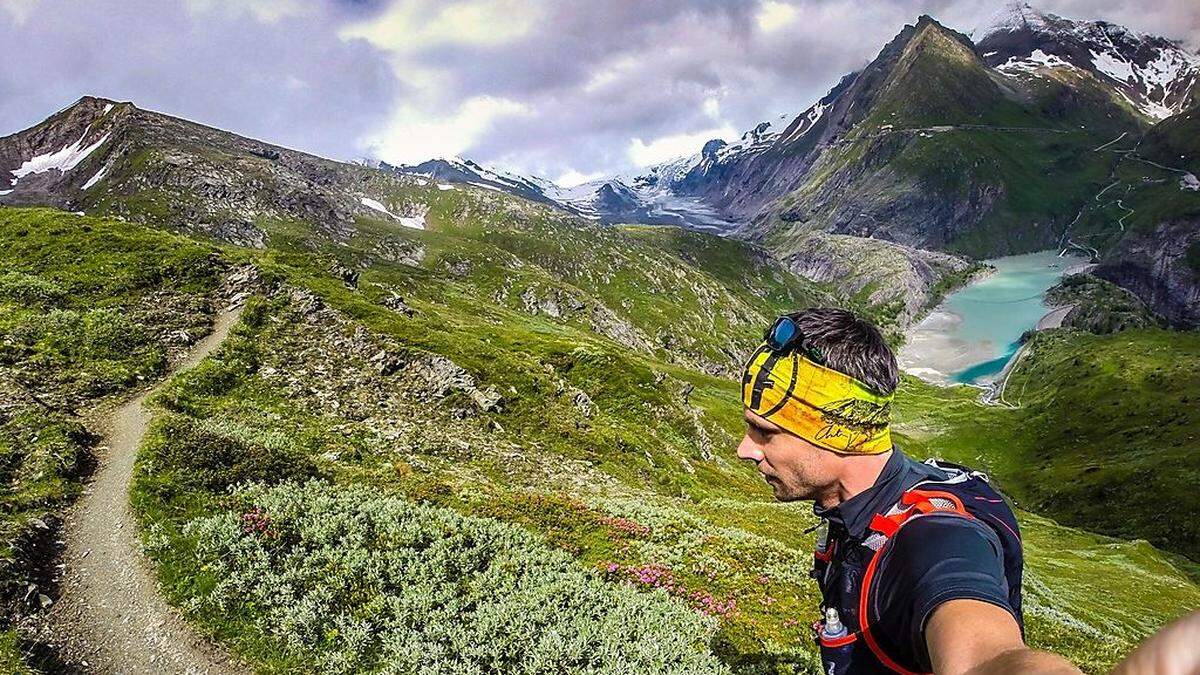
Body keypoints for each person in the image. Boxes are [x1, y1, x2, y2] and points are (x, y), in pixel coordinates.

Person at [736, 308, 1080, 675]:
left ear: (836, 430)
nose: (745, 449)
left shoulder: (935, 536)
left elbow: (986, 656)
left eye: (765, 432)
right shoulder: (858, 509)